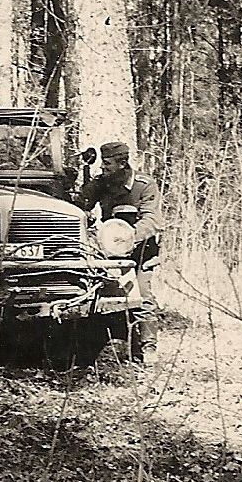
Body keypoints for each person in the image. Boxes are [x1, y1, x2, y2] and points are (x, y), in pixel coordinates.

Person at [76, 141, 162, 363]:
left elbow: (151, 220)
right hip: (109, 251)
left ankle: (148, 349)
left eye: (108, 164)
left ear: (123, 163)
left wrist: (128, 238)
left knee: (142, 296)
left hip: (141, 251)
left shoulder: (144, 185)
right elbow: (80, 204)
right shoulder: (101, 183)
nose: (103, 169)